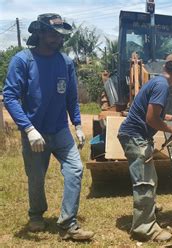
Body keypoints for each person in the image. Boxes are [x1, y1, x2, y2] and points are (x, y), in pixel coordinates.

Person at [2, 13, 94, 240]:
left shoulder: (66, 62)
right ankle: (35, 215)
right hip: (34, 131)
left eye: (60, 34)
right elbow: (10, 97)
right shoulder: (23, 60)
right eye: (52, 33)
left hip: (60, 129)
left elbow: (71, 97)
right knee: (36, 177)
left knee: (75, 170)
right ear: (40, 33)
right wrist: (28, 128)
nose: (57, 38)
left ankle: (68, 224)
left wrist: (78, 125)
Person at [117, 53, 172, 242]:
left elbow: (151, 111)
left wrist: (169, 117)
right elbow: (151, 119)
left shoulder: (156, 82)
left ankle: (148, 210)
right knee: (144, 182)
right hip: (135, 136)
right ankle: (144, 228)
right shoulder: (162, 86)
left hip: (133, 135)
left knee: (150, 178)